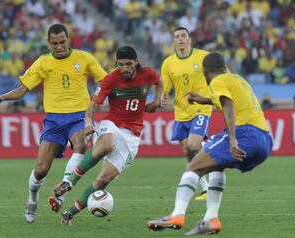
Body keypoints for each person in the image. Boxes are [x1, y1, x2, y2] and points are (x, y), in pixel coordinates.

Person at [0, 23, 107, 223]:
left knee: (81, 143)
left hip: (79, 116)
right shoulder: (43, 62)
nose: (59, 46)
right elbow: (22, 89)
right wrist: (2, 97)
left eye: (62, 42)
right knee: (41, 170)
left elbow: (106, 82)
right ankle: (32, 199)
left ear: (68, 39)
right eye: (55, 43)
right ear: (48, 42)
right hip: (54, 120)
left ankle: (62, 191)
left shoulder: (85, 58)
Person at [147, 52, 273, 235]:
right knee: (216, 166)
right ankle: (211, 219)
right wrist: (203, 100)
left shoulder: (217, 81)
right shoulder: (238, 79)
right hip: (264, 139)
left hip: (245, 133)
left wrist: (232, 138)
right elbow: (228, 100)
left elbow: (228, 105)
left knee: (193, 167)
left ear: (205, 72)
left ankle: (177, 214)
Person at [48, 46, 163, 225]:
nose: (124, 68)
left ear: (136, 62)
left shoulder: (147, 74)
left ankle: (70, 213)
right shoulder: (111, 79)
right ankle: (69, 183)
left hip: (131, 137)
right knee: (107, 144)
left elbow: (159, 81)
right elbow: (93, 104)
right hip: (112, 124)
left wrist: (157, 100)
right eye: (121, 64)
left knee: (103, 180)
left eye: (128, 64)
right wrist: (88, 122)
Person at [161, 26, 212, 200]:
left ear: (189, 39)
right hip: (180, 112)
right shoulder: (168, 63)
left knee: (193, 145)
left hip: (200, 108)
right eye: (177, 37)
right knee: (189, 152)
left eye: (184, 36)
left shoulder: (203, 56)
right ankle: (206, 189)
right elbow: (165, 87)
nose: (181, 39)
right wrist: (163, 96)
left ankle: (214, 147)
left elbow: (219, 71)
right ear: (174, 41)